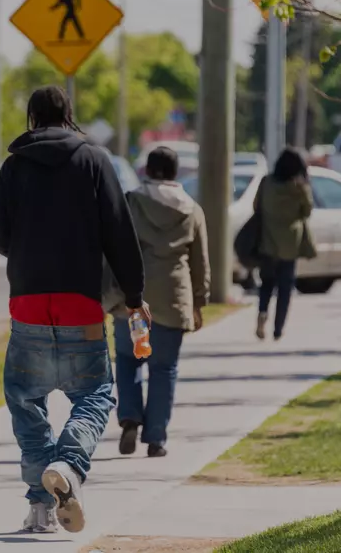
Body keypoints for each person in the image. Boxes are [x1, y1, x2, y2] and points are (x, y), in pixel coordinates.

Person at [0, 85, 149, 535]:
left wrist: (24, 254)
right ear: (70, 115)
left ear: (32, 118)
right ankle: (69, 465)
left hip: (29, 301)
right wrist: (134, 297)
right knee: (94, 395)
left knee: (25, 399)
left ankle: (40, 510)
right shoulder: (94, 162)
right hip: (81, 302)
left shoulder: (14, 166)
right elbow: (120, 233)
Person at [106, 146, 209, 459]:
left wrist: (109, 293)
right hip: (172, 300)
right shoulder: (192, 210)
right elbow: (199, 262)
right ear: (176, 173)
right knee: (164, 369)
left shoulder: (131, 202)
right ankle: (157, 439)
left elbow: (115, 248)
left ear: (147, 171)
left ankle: (130, 419)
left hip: (133, 300)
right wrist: (199, 301)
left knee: (128, 360)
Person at [253, 147, 316, 341]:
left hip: (267, 242)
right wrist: (304, 188)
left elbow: (256, 206)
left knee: (266, 283)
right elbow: (307, 211)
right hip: (290, 245)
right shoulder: (298, 188)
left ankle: (263, 311)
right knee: (285, 289)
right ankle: (278, 329)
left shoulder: (267, 182)